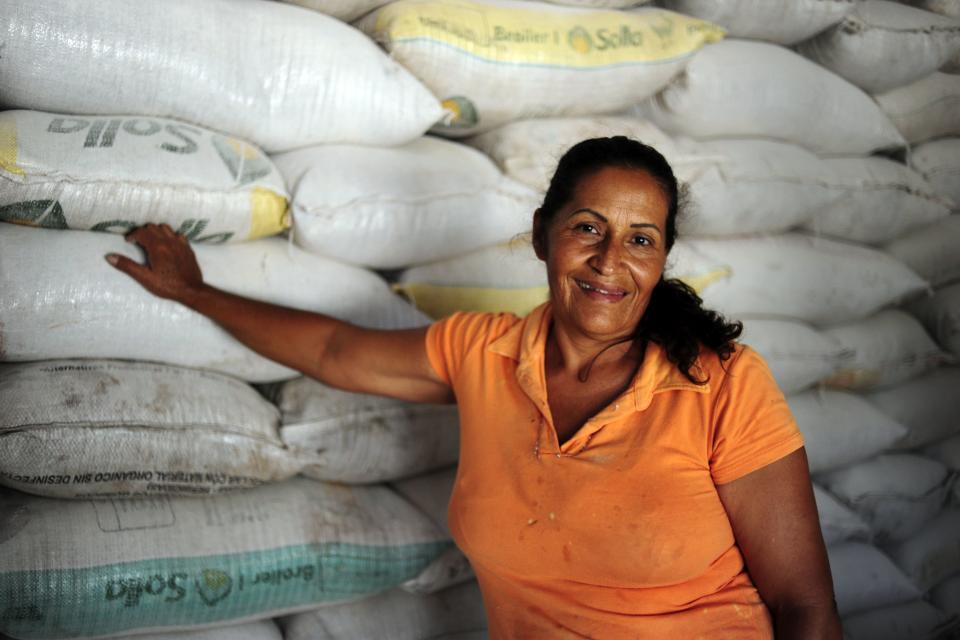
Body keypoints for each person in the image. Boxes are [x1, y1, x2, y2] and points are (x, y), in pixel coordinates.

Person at [107, 136, 843, 639]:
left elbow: (804, 606)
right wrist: (197, 294)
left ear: (663, 259)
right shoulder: (483, 352)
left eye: (641, 239)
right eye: (588, 228)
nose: (610, 260)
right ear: (541, 235)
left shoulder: (722, 383)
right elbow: (336, 349)